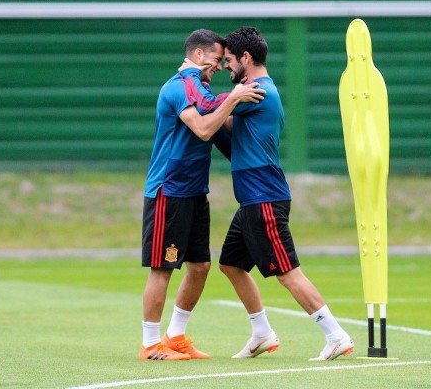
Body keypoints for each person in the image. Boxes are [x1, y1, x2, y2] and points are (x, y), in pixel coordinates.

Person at [184, 26, 354, 361]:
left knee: (287, 272)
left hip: (264, 198)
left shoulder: (256, 92)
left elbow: (207, 108)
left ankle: (336, 335)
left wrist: (189, 75)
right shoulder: (253, 94)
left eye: (229, 60)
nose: (225, 67)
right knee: (231, 264)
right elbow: (227, 136)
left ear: (246, 58)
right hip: (252, 198)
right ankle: (262, 333)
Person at [139, 29, 265, 361]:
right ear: (197, 55)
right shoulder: (178, 87)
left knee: (200, 266)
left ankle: (176, 337)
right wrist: (234, 98)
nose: (220, 66)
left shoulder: (201, 89)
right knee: (162, 268)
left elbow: (219, 126)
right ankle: (150, 345)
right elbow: (205, 128)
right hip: (169, 191)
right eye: (216, 59)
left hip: (194, 191)